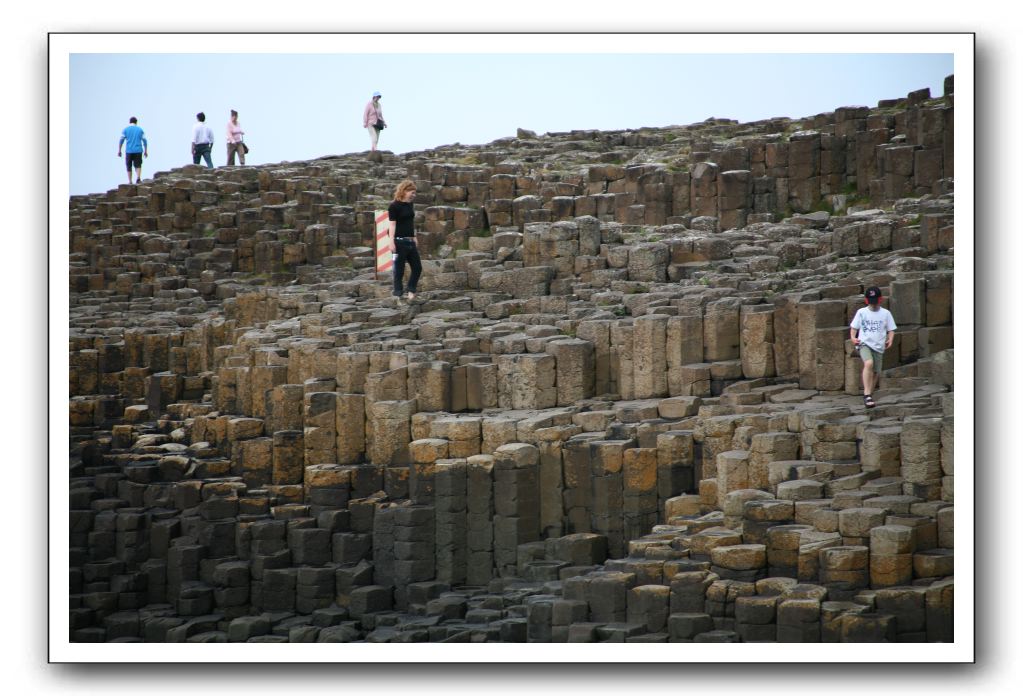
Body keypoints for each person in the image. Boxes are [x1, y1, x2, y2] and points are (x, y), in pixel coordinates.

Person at [849, 286, 897, 409]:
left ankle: (869, 394)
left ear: (880, 300)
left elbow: (891, 329)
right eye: (871, 301)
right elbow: (854, 327)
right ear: (866, 300)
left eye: (875, 301)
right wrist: (853, 337)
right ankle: (866, 394)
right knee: (869, 363)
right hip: (864, 343)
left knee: (876, 372)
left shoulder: (886, 313)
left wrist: (890, 339)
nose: (874, 304)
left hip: (879, 346)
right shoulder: (862, 312)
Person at [388, 179, 421, 301]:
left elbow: (411, 222)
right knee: (399, 270)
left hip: (410, 241)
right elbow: (392, 225)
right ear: (404, 191)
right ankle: (398, 294)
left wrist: (414, 237)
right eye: (412, 192)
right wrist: (391, 242)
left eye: (414, 193)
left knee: (417, 268)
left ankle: (411, 291)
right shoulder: (394, 206)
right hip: (399, 241)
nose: (414, 195)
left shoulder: (410, 204)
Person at [117, 116, 148, 185]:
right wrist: (146, 151)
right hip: (138, 150)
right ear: (136, 122)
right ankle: (138, 177)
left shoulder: (125, 130)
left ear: (129, 122)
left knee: (129, 166)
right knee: (138, 165)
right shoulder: (140, 130)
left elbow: (121, 140)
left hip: (129, 151)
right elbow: (145, 140)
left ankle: (130, 181)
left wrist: (119, 150)